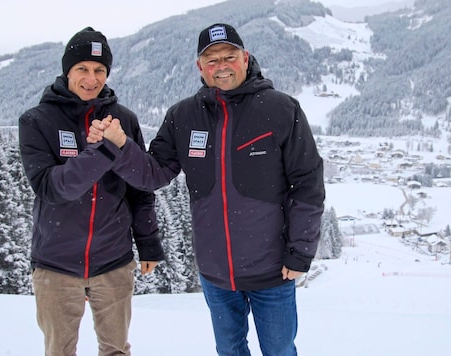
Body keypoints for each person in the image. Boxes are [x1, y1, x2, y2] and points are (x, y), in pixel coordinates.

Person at [88, 23, 325, 355]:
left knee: (280, 350)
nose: (222, 66)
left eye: (229, 56)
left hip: (272, 270)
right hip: (215, 273)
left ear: (245, 58)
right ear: (200, 67)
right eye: (211, 60)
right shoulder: (183, 116)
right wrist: (121, 146)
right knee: (228, 350)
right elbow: (153, 174)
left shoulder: (281, 109)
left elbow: (307, 185)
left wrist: (300, 253)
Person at [18, 27, 165, 356]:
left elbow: (139, 189)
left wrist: (149, 243)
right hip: (56, 264)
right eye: (82, 68)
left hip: (113, 262)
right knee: (59, 351)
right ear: (67, 71)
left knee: (116, 350)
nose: (91, 78)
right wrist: (105, 150)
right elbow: (52, 188)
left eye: (99, 70)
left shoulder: (123, 119)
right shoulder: (37, 120)